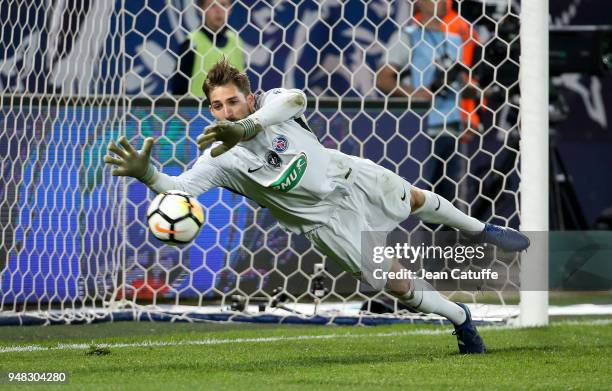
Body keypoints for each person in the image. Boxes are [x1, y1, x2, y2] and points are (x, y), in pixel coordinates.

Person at [104, 58, 530, 354]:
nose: (226, 110)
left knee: (416, 198)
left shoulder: (273, 104)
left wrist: (249, 126)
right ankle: (461, 318)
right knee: (397, 285)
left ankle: (480, 229)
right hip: (326, 224)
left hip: (349, 177)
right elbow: (181, 188)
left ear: (250, 99)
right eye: (217, 105)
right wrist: (148, 174)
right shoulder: (220, 157)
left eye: (233, 101)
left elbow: (296, 101)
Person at [377, 0, 477, 205]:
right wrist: (414, 95)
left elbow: (461, 83)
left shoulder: (455, 39)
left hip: (451, 131)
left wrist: (471, 90)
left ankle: (447, 239)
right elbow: (383, 79)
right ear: (418, 3)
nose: (441, 2)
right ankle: (410, 238)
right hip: (419, 132)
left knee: (448, 205)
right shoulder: (407, 36)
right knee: (417, 200)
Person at [170, 0, 245, 97]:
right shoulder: (192, 43)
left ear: (230, 8)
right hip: (198, 111)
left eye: (223, 5)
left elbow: (242, 85)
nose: (219, 10)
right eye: (212, 5)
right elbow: (178, 91)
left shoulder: (237, 42)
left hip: (232, 111)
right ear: (202, 9)